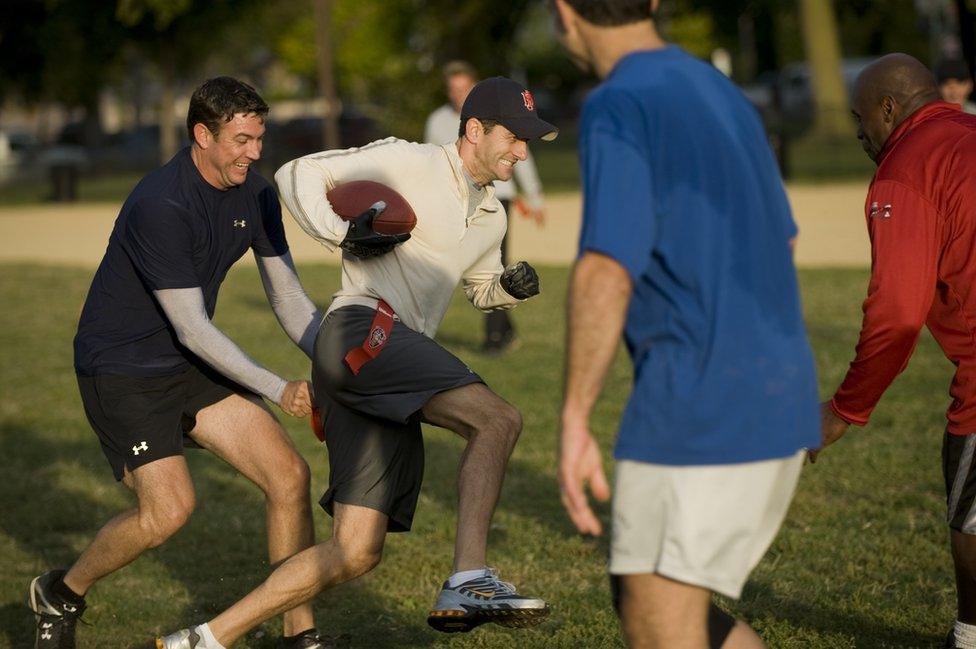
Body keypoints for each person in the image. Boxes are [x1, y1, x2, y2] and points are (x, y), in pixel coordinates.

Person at [157, 76, 557, 649]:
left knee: (355, 551)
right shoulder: (408, 161)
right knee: (499, 420)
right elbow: (298, 174)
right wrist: (345, 234)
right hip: (363, 331)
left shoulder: (491, 215)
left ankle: (202, 639)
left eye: (528, 140)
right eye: (514, 138)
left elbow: (479, 287)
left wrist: (508, 290)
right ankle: (470, 579)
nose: (522, 150)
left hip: (386, 361)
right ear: (474, 131)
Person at [550, 1, 820, 648]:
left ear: (565, 13)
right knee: (655, 597)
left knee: (660, 624)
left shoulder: (618, 102)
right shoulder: (719, 89)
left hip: (701, 404)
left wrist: (574, 417)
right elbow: (782, 240)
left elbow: (607, 270)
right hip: (779, 393)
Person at [27, 77, 330, 649]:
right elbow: (193, 326)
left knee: (288, 477)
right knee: (166, 514)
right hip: (122, 369)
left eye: (259, 138)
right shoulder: (160, 203)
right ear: (202, 135)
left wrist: (329, 362)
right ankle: (62, 592)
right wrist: (276, 386)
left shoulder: (256, 194)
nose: (254, 152)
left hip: (186, 362)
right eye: (241, 139)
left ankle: (300, 635)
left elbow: (287, 297)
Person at [812, 53, 976, 649]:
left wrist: (846, 408)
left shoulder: (907, 166)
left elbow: (897, 315)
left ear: (889, 108)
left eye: (861, 121)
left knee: (972, 510)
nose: (859, 135)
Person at [424, 61, 547, 354]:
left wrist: (534, 197)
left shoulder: (495, 117)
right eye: (453, 90)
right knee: (471, 265)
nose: (459, 95)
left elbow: (519, 154)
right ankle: (505, 330)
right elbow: (432, 159)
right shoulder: (437, 120)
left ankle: (495, 337)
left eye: (464, 88)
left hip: (498, 197)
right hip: (457, 199)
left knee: (494, 261)